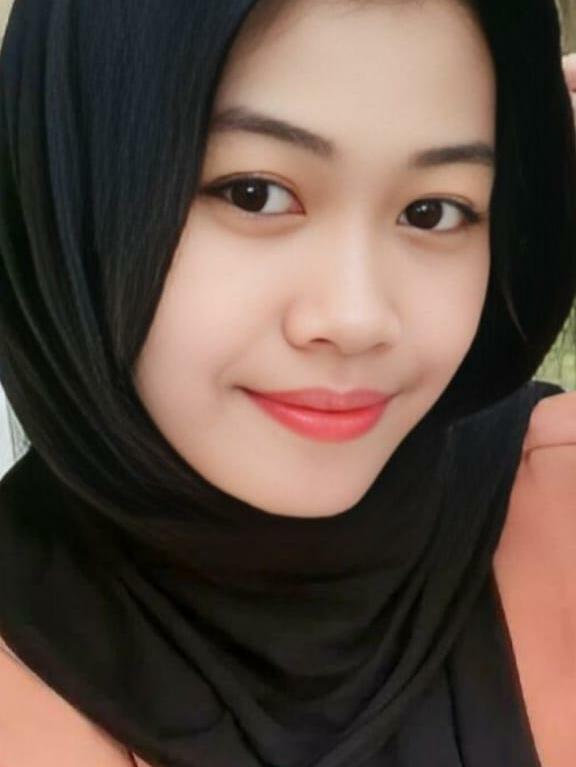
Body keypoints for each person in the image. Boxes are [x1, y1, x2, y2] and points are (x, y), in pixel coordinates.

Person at [0, 0, 575, 765]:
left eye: (433, 211)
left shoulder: (557, 503)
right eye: (254, 194)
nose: (357, 318)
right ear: (68, 195)